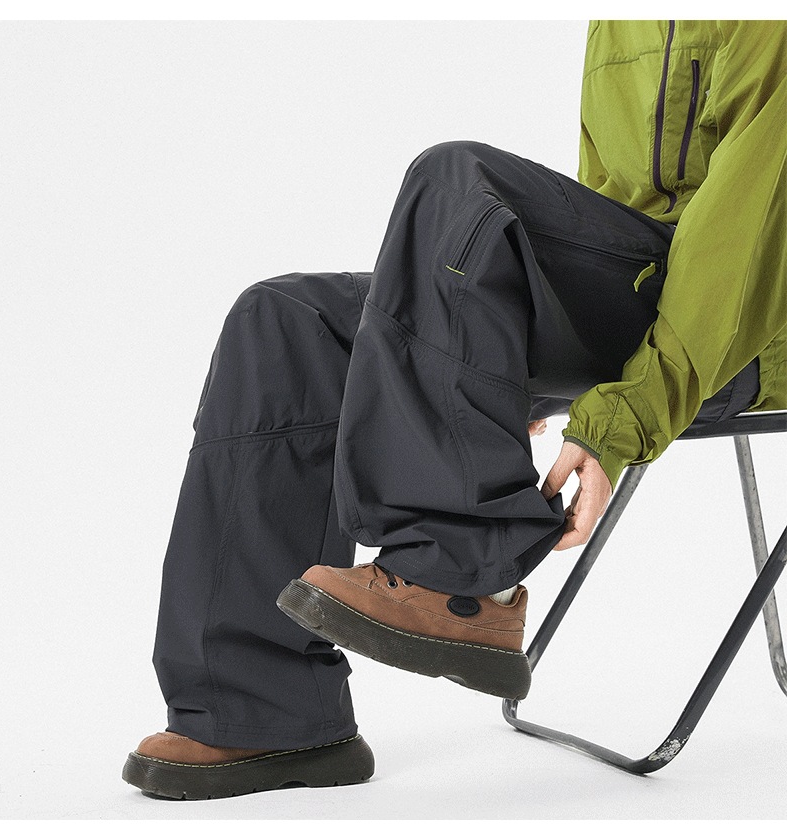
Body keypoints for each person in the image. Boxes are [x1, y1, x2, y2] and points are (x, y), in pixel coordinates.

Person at [122, 20, 786, 799]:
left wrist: (620, 417)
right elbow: (596, 217)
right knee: (287, 321)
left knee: (457, 178)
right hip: (652, 298)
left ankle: (464, 577)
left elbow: (745, 254)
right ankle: (260, 714)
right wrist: (491, 359)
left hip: (751, 335)